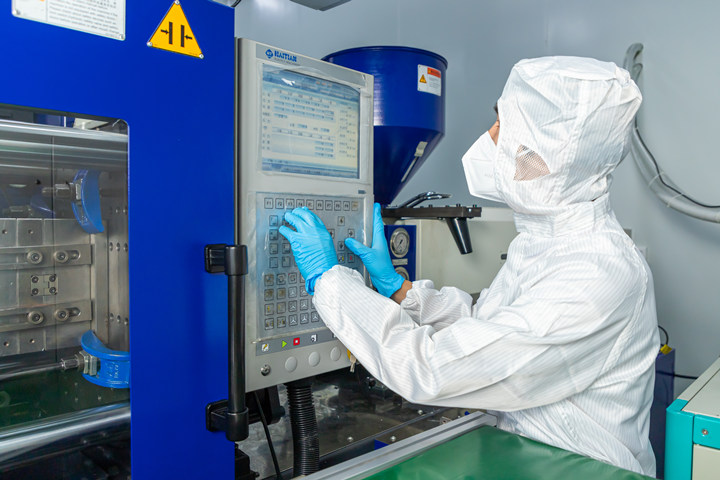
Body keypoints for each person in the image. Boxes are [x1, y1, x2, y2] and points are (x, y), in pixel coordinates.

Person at [279, 56, 659, 476]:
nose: (491, 137)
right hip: (528, 455)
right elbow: (489, 325)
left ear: (551, 154)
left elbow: (433, 369)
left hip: (584, 468)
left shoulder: (596, 274)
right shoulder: (546, 241)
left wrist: (330, 280)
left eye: (505, 126)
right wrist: (400, 291)